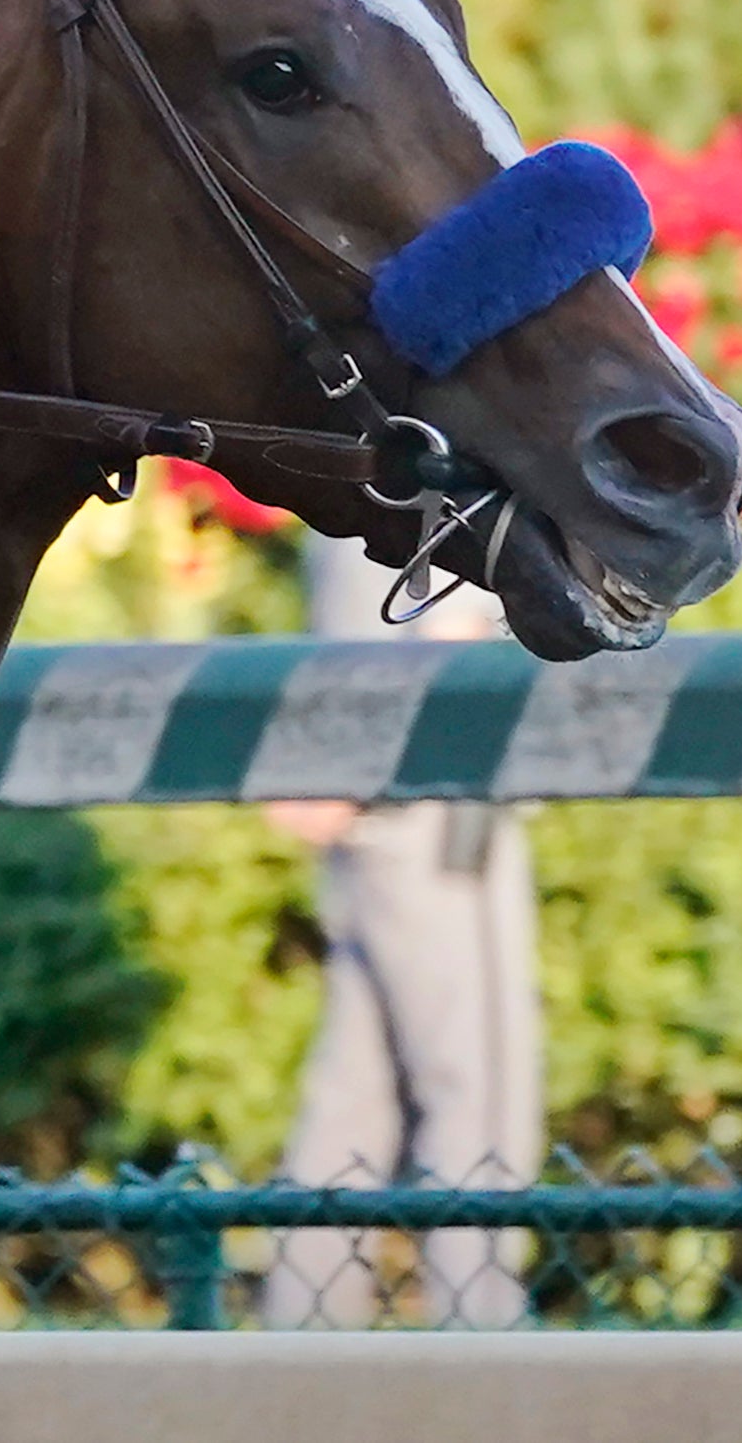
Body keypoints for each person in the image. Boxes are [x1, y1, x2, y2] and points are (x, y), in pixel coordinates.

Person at [260, 537, 546, 1328]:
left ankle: (294, 1363)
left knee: (353, 1105)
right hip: (432, 810)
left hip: (377, 811)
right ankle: (483, 1361)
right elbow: (447, 643)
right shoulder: (436, 437)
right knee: (479, 1101)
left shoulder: (359, 431)